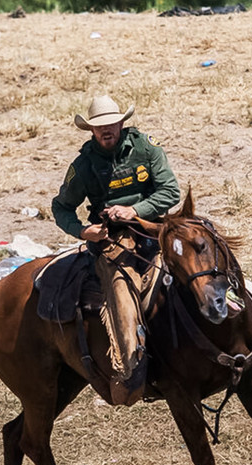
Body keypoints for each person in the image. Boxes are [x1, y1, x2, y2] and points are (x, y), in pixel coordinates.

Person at [50, 95, 180, 404]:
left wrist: (136, 211)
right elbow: (61, 207)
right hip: (115, 240)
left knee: (202, 259)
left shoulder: (146, 147)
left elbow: (170, 191)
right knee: (121, 290)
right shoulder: (82, 166)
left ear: (122, 122)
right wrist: (84, 231)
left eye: (111, 124)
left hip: (155, 226)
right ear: (91, 131)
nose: (106, 130)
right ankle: (131, 368)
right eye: (99, 127)